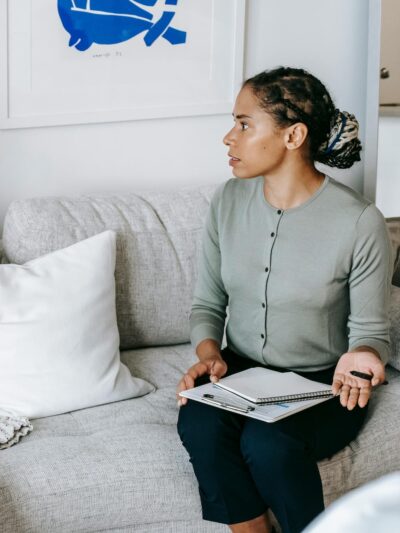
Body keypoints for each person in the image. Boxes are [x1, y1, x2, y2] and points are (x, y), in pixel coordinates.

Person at [176, 67, 392, 533]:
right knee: (199, 423)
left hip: (324, 387)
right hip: (241, 373)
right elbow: (207, 303)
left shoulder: (359, 222)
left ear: (293, 135)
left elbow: (372, 332)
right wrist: (209, 356)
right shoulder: (228, 202)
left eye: (244, 124)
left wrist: (365, 355)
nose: (228, 138)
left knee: (268, 444)